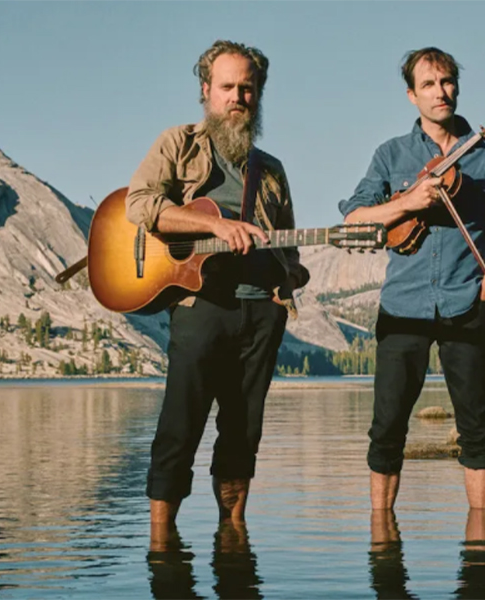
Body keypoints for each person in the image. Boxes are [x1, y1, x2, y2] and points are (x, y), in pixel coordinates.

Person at [125, 40, 309, 542]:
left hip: (260, 311)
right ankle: (161, 547)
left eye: (247, 89)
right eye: (227, 87)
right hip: (200, 305)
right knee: (180, 425)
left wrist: (291, 276)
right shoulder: (178, 144)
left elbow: (290, 245)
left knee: (243, 432)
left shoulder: (270, 170)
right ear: (206, 91)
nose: (238, 98)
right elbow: (140, 204)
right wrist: (219, 225)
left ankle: (234, 541)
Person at [339, 47, 485, 512]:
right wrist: (409, 202)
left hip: (466, 303)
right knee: (387, 427)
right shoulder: (391, 154)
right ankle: (383, 535)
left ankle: (480, 541)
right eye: (429, 85)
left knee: (477, 428)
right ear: (411, 95)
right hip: (403, 306)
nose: (441, 92)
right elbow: (356, 219)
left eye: (447, 82)